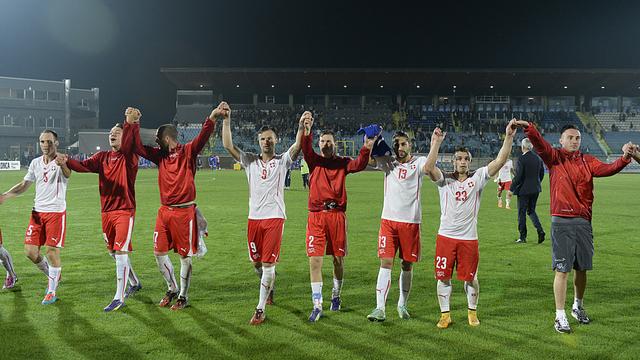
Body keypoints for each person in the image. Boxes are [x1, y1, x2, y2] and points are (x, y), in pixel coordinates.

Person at [512, 120, 634, 334]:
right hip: (561, 222)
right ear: (561, 140)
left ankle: (577, 306)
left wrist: (624, 158)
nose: (574, 141)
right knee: (562, 270)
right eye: (570, 137)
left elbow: (608, 169)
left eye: (577, 138)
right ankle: (560, 316)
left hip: (584, 222)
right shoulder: (554, 158)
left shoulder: (587, 160)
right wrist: (529, 127)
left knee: (582, 268)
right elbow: (539, 144)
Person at [130, 101, 226, 310]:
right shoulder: (159, 155)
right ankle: (171, 287)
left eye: (157, 138)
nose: (155, 141)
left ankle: (183, 295)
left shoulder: (188, 151)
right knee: (158, 252)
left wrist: (212, 117)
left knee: (184, 256)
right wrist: (134, 123)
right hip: (164, 211)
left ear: (166, 138)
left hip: (184, 212)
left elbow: (202, 137)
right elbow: (137, 147)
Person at [424, 120, 516, 329]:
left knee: (471, 278)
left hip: (468, 238)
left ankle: (472, 312)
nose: (463, 162)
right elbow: (429, 168)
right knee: (443, 277)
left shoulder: (478, 177)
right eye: (459, 159)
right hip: (446, 237)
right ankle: (445, 314)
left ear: (470, 162)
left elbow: (500, 161)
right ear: (453, 162)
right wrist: (436, 143)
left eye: (466, 159)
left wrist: (509, 136)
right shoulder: (444, 180)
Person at [222, 109, 305, 325]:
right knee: (257, 264)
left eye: (270, 138)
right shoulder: (249, 161)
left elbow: (297, 147)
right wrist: (227, 120)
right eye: (263, 139)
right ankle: (269, 286)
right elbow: (228, 146)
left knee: (268, 264)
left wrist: (300, 127)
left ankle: (260, 308)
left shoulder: (282, 161)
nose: (267, 141)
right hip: (254, 219)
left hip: (274, 218)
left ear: (276, 140)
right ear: (258, 141)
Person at [63, 109, 143, 311]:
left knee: (121, 251)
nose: (112, 134)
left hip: (124, 210)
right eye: (111, 133)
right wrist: (65, 160)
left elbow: (131, 141)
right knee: (113, 253)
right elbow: (81, 166)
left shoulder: (130, 156)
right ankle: (134, 282)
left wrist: (130, 123)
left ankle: (119, 297)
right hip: (106, 212)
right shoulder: (102, 157)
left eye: (117, 132)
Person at [302, 117, 374, 322]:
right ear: (319, 144)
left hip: (336, 217)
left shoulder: (342, 163)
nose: (326, 144)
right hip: (316, 217)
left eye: (329, 141)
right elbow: (306, 150)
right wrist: (306, 129)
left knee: (337, 260)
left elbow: (359, 164)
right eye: (323, 141)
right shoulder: (313, 160)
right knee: (315, 261)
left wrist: (367, 145)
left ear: (335, 144)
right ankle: (317, 305)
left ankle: (336, 296)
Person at [0, 129, 71, 304]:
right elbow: (24, 185)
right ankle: (53, 274)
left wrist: (62, 164)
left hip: (55, 212)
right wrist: (5, 195)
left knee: (52, 251)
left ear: (57, 143)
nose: (46, 145)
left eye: (49, 142)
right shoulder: (35, 163)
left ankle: (52, 291)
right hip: (37, 213)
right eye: (42, 142)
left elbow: (68, 173)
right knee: (30, 252)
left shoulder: (62, 160)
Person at [366, 131, 427, 322]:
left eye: (403, 144)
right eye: (397, 145)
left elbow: (430, 167)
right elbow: (367, 161)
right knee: (386, 263)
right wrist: (371, 141)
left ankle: (402, 304)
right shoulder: (387, 163)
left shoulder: (419, 163)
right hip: (389, 221)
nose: (400, 148)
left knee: (406, 265)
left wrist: (435, 142)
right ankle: (379, 308)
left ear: (410, 145)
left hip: (411, 222)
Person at [511, 138, 545, 244]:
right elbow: (541, 174)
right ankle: (540, 231)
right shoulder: (538, 158)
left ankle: (522, 237)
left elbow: (519, 176)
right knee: (531, 211)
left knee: (522, 213)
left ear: (523, 147)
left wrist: (511, 188)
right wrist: (536, 183)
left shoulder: (521, 159)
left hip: (523, 191)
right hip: (535, 189)